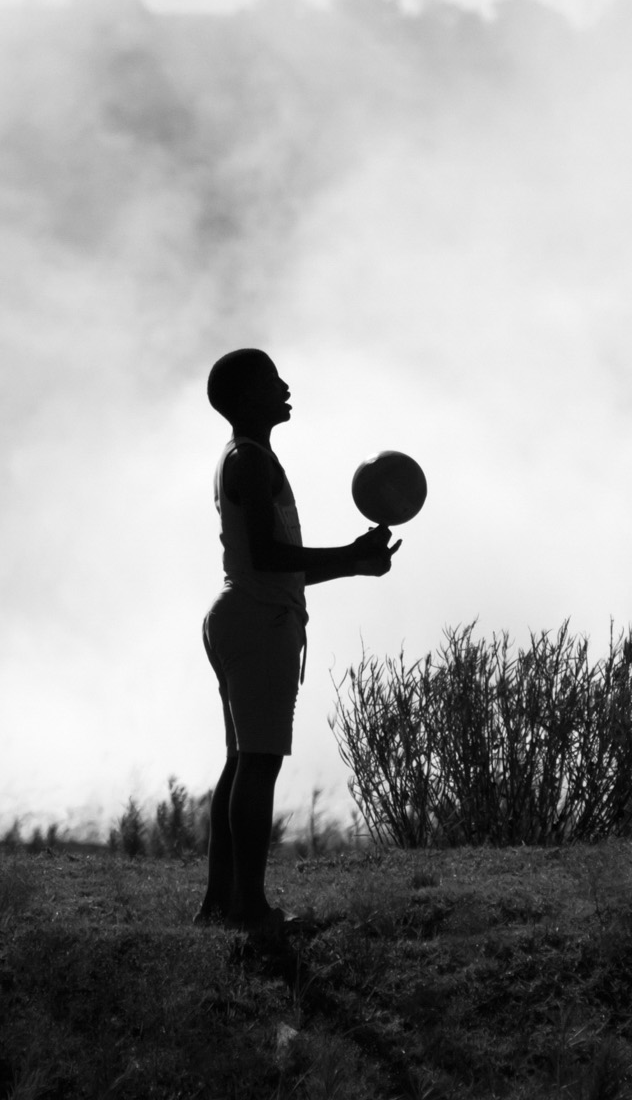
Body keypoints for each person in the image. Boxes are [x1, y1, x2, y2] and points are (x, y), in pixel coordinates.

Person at [196, 346, 397, 931]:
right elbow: (269, 556)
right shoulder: (252, 461)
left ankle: (221, 901)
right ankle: (248, 907)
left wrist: (355, 563)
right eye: (270, 380)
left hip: (246, 613)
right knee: (257, 765)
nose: (284, 386)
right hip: (259, 621)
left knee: (242, 762)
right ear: (242, 399)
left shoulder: (246, 457)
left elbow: (276, 564)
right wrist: (349, 553)